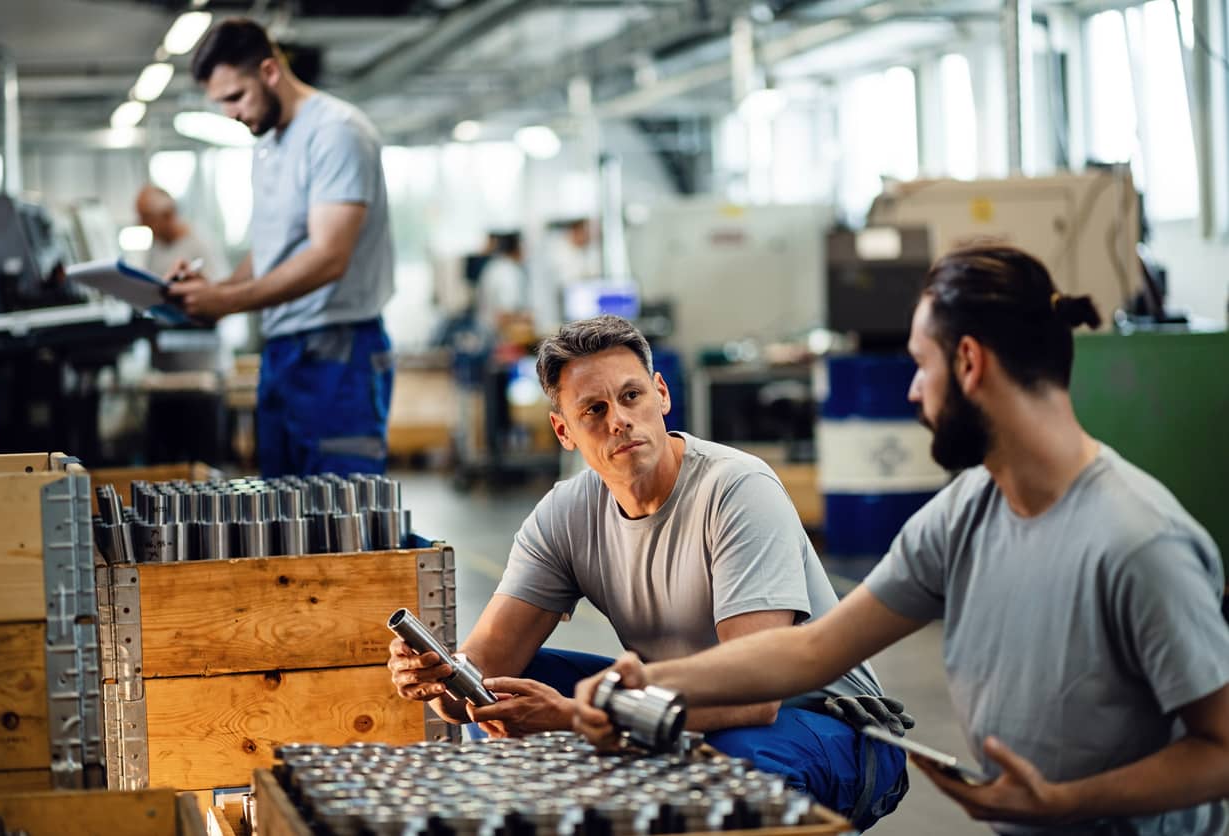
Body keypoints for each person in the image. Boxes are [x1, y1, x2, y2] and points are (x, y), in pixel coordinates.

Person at [572, 246, 1229, 834]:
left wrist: (1067, 803)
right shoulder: (967, 512)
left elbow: (1221, 749)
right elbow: (814, 650)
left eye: (921, 364)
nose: (914, 390)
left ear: (969, 363)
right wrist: (652, 681)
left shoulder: (1139, 542)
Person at [389, 314, 911, 829]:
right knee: (509, 689)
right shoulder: (565, 513)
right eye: (593, 409)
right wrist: (439, 680)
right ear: (563, 431)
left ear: (661, 394)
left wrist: (577, 715)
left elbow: (755, 698)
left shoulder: (736, 490)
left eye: (631, 396)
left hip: (829, 729)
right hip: (685, 711)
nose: (618, 419)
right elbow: (482, 675)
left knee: (724, 763)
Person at [169, 18, 395, 477]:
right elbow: (275, 249)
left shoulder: (336, 132)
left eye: (235, 97)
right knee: (283, 507)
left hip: (338, 352)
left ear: (270, 71)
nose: (230, 114)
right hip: (283, 351)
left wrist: (226, 303)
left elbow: (329, 256)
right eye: (221, 103)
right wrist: (211, 289)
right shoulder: (268, 140)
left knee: (341, 512)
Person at [135, 185, 230, 280]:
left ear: (168, 215)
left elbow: (219, 284)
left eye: (146, 217)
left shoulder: (201, 242)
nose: (141, 223)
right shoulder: (156, 244)